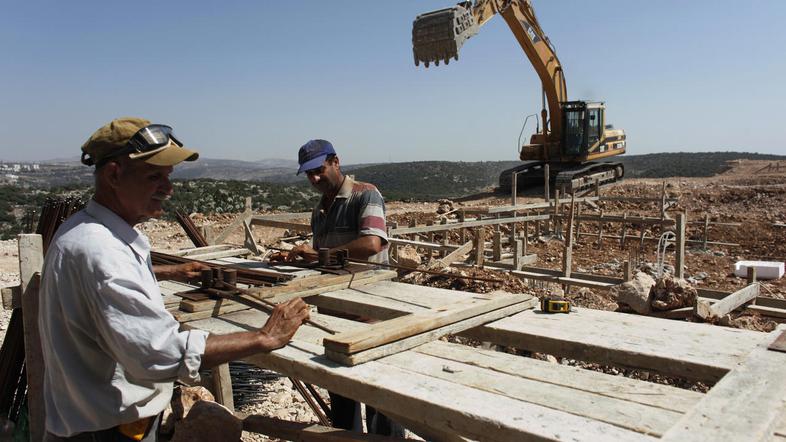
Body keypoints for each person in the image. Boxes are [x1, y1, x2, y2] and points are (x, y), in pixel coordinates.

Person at [38, 118, 310, 441]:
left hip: (101, 423)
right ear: (114, 175)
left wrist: (169, 272)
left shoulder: (87, 233)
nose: (168, 189)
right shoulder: (100, 252)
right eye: (154, 176)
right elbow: (159, 352)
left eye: (168, 177)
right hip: (106, 431)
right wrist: (263, 338)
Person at [271, 139, 402, 436]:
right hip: (336, 318)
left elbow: (372, 243)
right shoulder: (320, 210)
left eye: (318, 170)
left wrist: (317, 254)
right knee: (342, 397)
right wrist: (297, 259)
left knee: (379, 397)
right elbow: (325, 262)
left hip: (370, 315)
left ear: (336, 162)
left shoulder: (365, 195)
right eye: (308, 174)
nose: (314, 179)